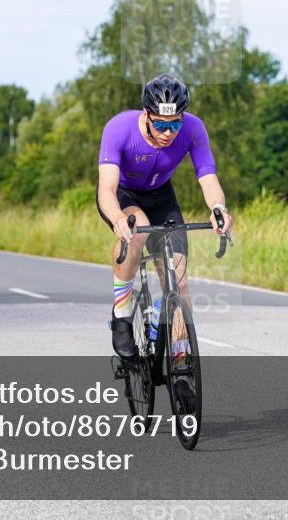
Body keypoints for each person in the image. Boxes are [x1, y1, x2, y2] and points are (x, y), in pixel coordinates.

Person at [96, 74, 234, 374]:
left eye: (175, 124)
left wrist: (218, 208)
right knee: (137, 230)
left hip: (162, 197)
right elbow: (106, 189)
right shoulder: (119, 129)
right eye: (160, 124)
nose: (168, 133)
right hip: (125, 195)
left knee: (179, 282)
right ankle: (121, 315)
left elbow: (208, 177)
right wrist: (118, 217)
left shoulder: (194, 128)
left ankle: (181, 357)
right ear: (146, 114)